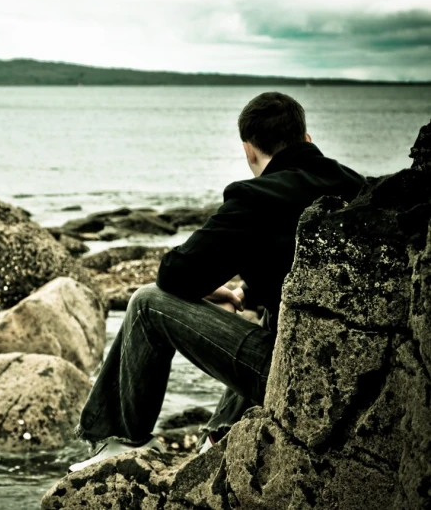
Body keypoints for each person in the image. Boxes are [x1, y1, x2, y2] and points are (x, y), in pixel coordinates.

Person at [69, 92, 366, 472]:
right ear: (306, 139)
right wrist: (244, 292)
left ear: (249, 149)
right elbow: (301, 265)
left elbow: (174, 274)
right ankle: (218, 437)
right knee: (277, 320)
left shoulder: (256, 198)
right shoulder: (355, 186)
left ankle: (120, 439)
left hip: (296, 381)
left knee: (146, 302)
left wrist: (211, 290)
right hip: (358, 373)